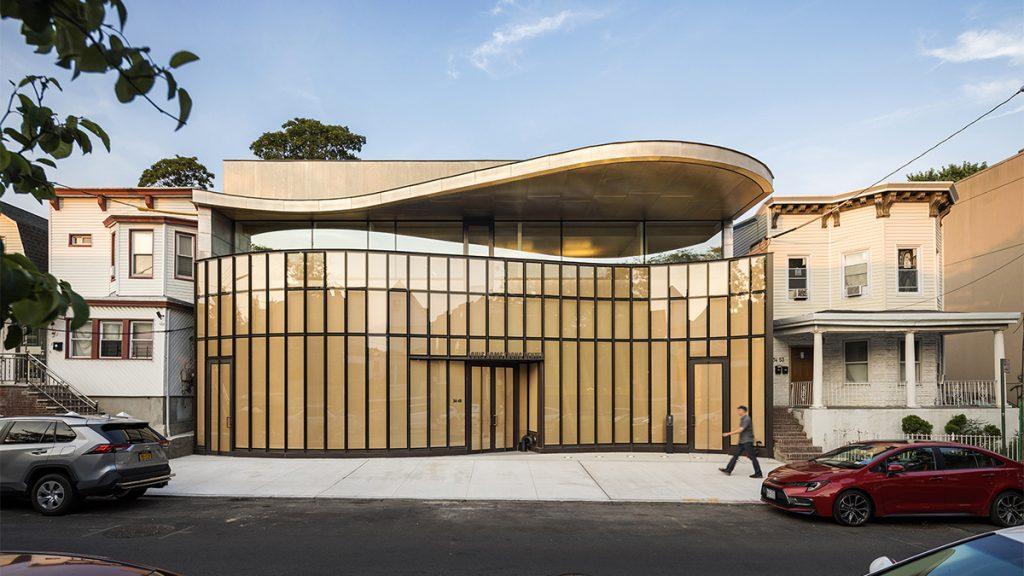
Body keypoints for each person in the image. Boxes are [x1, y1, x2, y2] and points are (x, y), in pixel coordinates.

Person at [719, 405, 763, 478]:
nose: (738, 412)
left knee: (752, 457)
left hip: (747, 442)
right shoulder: (743, 418)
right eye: (738, 410)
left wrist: (728, 433)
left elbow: (740, 430)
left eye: (739, 410)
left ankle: (758, 473)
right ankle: (728, 470)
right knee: (735, 455)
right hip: (743, 441)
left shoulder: (746, 419)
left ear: (743, 411)